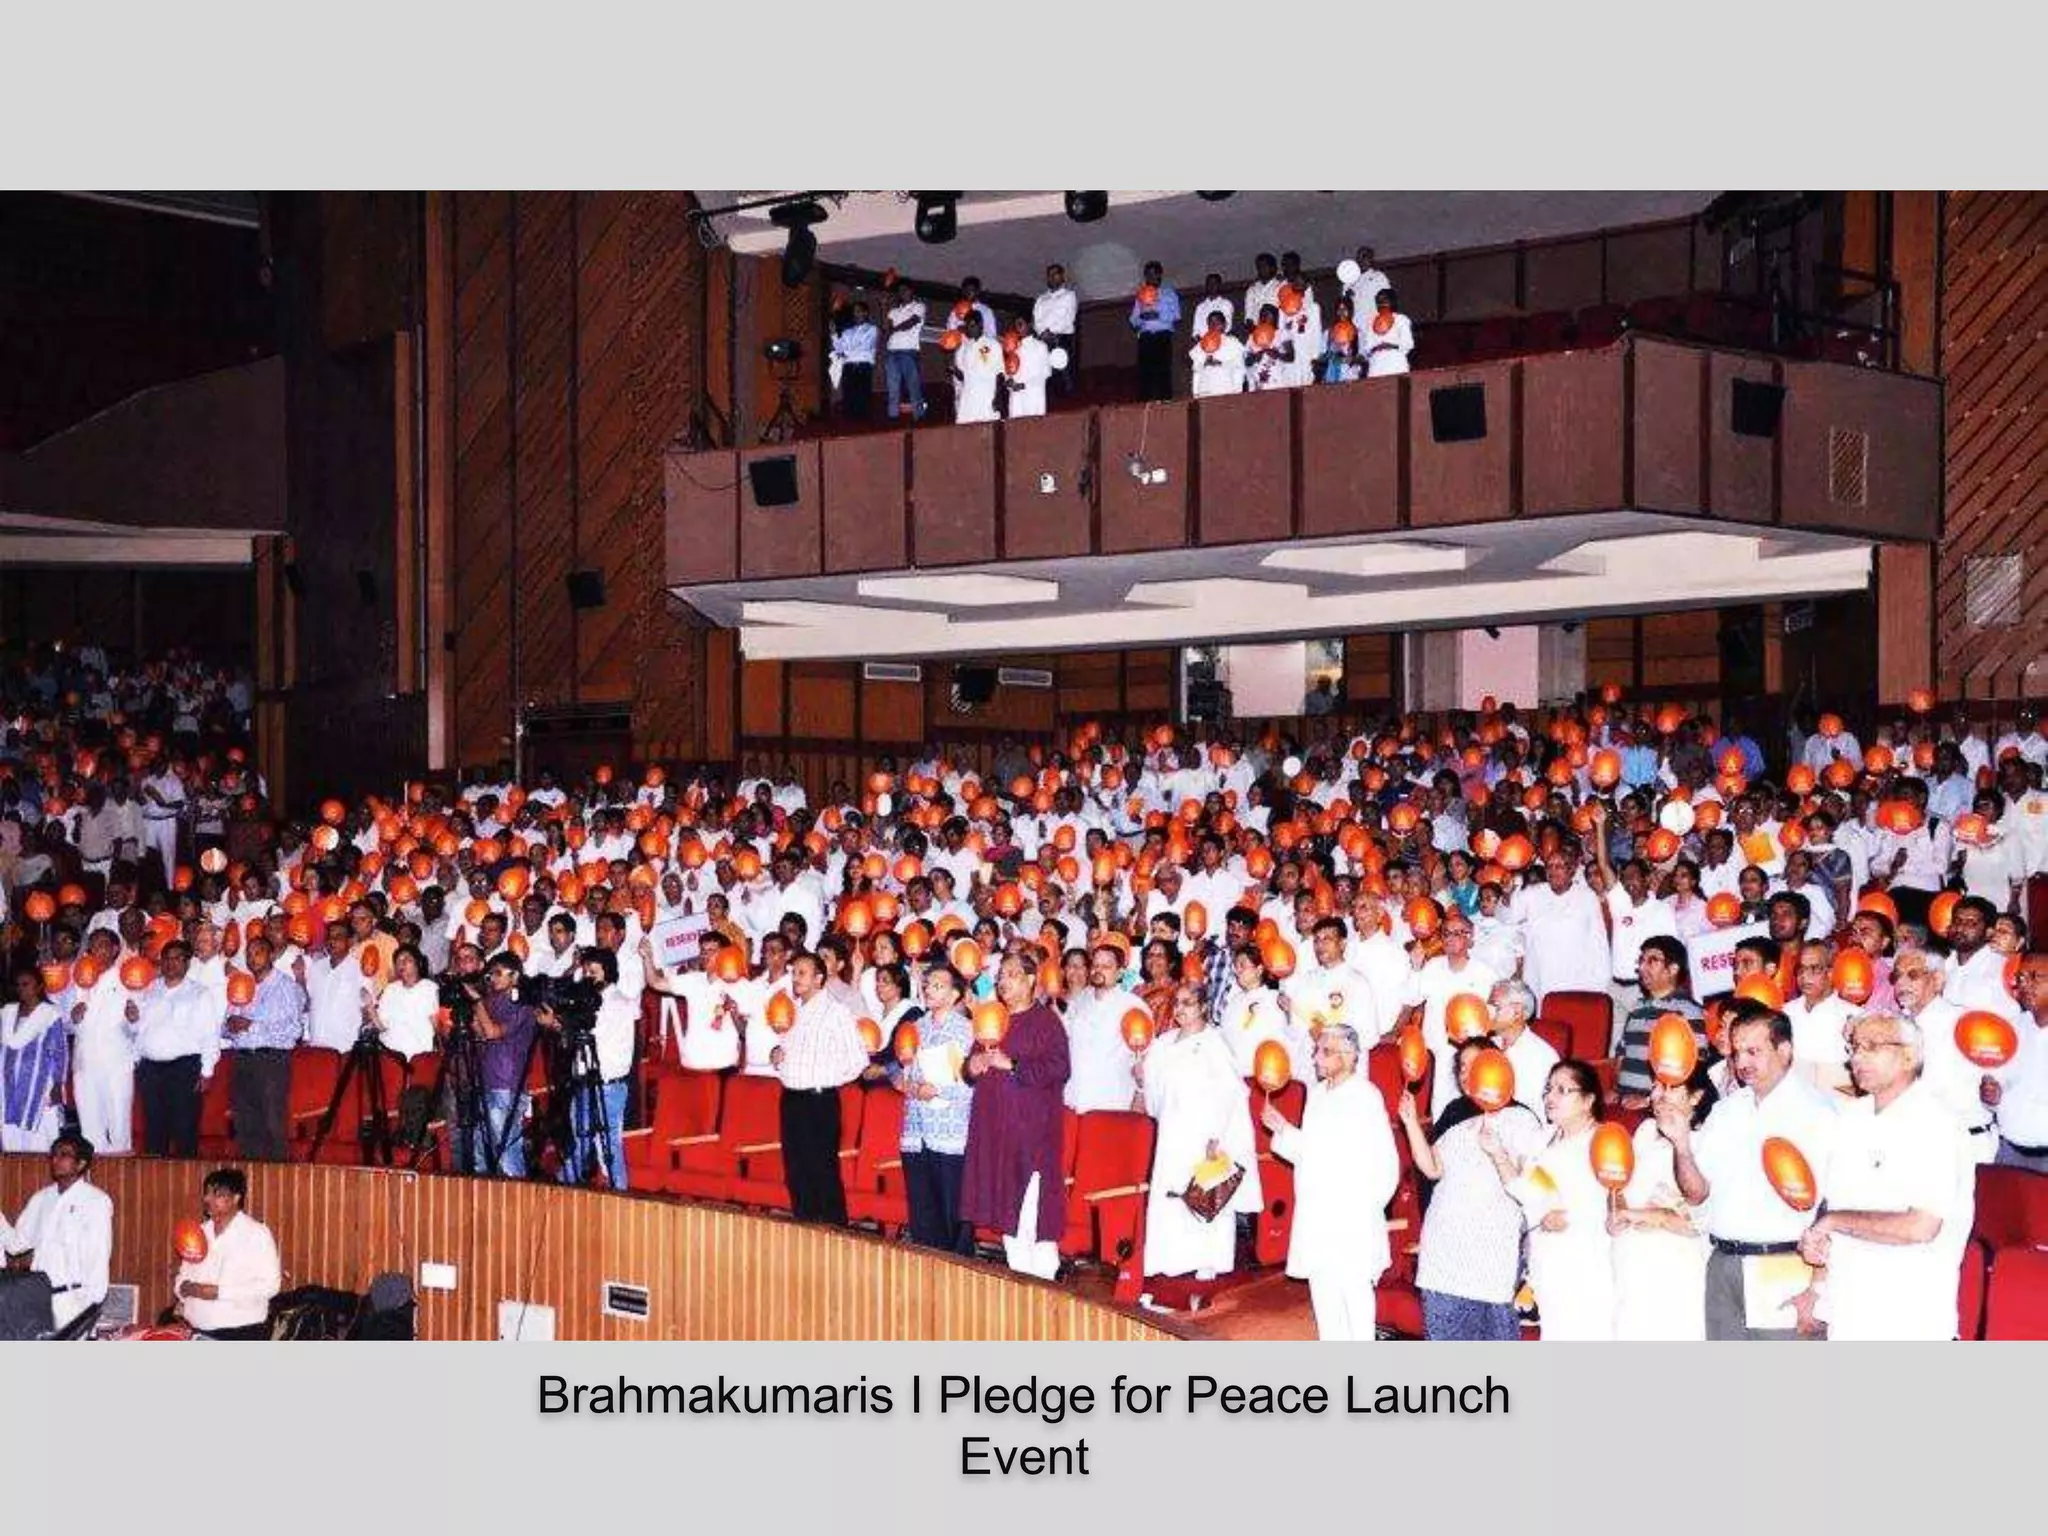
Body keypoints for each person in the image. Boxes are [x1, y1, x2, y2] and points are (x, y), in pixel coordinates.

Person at [1658, 1007, 1839, 1339]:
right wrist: (1681, 1143)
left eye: (1754, 1051)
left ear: (1784, 1051)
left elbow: (1833, 1205)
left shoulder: (1817, 1113)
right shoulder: (1726, 1111)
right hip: (1723, 1263)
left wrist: (1819, 1287)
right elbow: (1696, 1192)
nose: (1742, 1063)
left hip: (1784, 1262)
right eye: (1737, 1051)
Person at [1799, 1014, 1974, 1340]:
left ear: (1909, 1056)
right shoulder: (1850, 1118)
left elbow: (1920, 1226)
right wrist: (1817, 1281)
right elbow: (1831, 1206)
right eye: (1854, 1047)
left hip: (1908, 1315)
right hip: (1850, 1307)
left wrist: (1834, 1222)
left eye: (1872, 1047)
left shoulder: (1936, 1123)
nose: (1857, 1057)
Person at [1400, 1036, 1545, 1340]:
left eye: (1474, 1065)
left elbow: (1529, 1183)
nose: (1466, 1073)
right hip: (1443, 1258)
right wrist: (1411, 1122)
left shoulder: (1523, 1120)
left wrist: (1497, 1152)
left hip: (1490, 1259)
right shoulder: (1457, 1126)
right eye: (1461, 1067)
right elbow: (1431, 1167)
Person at [1262, 1023, 1400, 1340]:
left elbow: (1384, 1162)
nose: (1316, 1058)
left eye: (1325, 1052)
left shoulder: (1365, 1096)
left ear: (1349, 1056)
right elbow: (1312, 1151)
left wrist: (1365, 1208)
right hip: (1317, 1210)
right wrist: (1282, 1129)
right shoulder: (1317, 1094)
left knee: (1354, 1294)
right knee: (1324, 1295)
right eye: (1317, 1050)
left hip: (1352, 1214)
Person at [1139, 984, 1262, 1281]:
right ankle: (1169, 1258)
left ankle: (1210, 1259)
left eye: (1188, 1003)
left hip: (1204, 1132)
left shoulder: (1214, 1044)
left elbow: (1230, 1094)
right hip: (1172, 1130)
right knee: (1172, 1191)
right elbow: (1153, 1089)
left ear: (1203, 1007)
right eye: (1177, 1003)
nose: (1180, 1009)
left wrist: (1217, 1136)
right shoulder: (1164, 1042)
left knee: (1204, 1191)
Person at [961, 950, 1070, 1281]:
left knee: (1031, 1213)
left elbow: (1060, 1068)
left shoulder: (1046, 1021)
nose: (1002, 982)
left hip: (1031, 1135)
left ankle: (1046, 1284)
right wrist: (973, 1066)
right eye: (1000, 976)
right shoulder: (991, 1018)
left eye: (1011, 975)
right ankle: (1020, 1284)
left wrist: (1013, 1065)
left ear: (1031, 981)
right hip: (994, 1131)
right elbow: (968, 1069)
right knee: (1006, 1212)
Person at [1492, 1060, 1615, 1340]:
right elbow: (1525, 1190)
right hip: (1547, 1262)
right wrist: (1497, 1153)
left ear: (1588, 1100)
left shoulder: (1604, 1141)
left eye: (1562, 1090)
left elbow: (1611, 1203)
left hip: (1586, 1265)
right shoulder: (1543, 1138)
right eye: (1548, 1089)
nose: (1550, 1097)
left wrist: (1572, 1217)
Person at [1610, 1066, 1716, 1340]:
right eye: (1655, 1086)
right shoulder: (1646, 1130)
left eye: (1669, 1088)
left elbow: (1694, 1222)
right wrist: (1615, 1209)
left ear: (1696, 1096)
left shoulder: (1707, 1139)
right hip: (1631, 1259)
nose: (1657, 1094)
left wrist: (1639, 1214)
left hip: (1676, 1269)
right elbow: (1619, 1184)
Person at [771, 950, 868, 1225]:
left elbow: (858, 1059)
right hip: (791, 1100)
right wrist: (776, 1055)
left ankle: (835, 1234)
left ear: (819, 979)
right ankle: (806, 1232)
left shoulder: (836, 1012)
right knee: (795, 1171)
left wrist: (825, 1077)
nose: (795, 978)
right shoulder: (792, 1012)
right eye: (794, 973)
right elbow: (785, 1052)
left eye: (802, 973)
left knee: (822, 1170)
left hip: (819, 1101)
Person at [892, 963, 975, 1255]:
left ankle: (962, 1276)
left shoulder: (967, 1031)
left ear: (955, 995)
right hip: (917, 1130)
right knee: (923, 1211)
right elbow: (902, 1072)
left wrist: (938, 1089)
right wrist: (904, 1082)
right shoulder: (915, 1028)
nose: (929, 989)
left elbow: (973, 1084)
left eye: (938, 985)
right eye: (927, 984)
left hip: (951, 1132)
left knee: (954, 1212)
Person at [4, 1133, 113, 1331]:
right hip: (36, 1301)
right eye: (54, 1154)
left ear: (81, 1164)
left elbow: (98, 1257)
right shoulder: (41, 1199)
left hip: (74, 1303)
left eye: (64, 1155)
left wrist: (89, 1307)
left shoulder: (95, 1201)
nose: (56, 1160)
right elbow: (16, 1245)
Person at [129, 940, 224, 1157]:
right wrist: (132, 1020)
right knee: (153, 1130)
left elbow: (210, 1034)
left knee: (185, 1130)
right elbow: (138, 1029)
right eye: (167, 958)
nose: (171, 963)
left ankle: (186, 1184)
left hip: (184, 1069)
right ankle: (153, 1185)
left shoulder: (199, 993)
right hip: (150, 1069)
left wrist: (207, 1071)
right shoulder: (149, 990)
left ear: (187, 963)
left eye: (177, 958)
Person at [173, 1167, 282, 1341]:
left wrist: (219, 1293)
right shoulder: (199, 1232)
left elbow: (270, 1285)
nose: (208, 1199)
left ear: (236, 1198)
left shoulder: (256, 1234)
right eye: (207, 1193)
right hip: (196, 1330)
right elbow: (182, 1276)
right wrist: (183, 1288)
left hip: (240, 1332)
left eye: (217, 1194)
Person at [223, 935, 306, 1161]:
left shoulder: (285, 986)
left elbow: (293, 1030)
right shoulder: (241, 984)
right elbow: (225, 1026)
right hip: (242, 1059)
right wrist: (230, 1025)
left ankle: (278, 1183)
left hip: (271, 1061)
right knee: (245, 1124)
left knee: (273, 1124)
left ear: (270, 955)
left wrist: (251, 1026)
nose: (252, 958)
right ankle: (251, 1179)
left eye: (258, 952)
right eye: (248, 954)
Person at [466, 952, 539, 1177]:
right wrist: (473, 1008)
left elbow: (492, 1032)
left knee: (506, 1149)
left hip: (508, 1084)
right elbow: (480, 1032)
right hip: (487, 1080)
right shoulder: (493, 1000)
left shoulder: (524, 1006)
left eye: (499, 973)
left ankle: (519, 1201)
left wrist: (477, 1002)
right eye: (491, 974)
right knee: (481, 1148)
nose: (493, 979)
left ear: (515, 976)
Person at [1613, 936, 1707, 1106]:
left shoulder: (1689, 1012)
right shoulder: (1636, 1009)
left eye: (1652, 960)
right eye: (1641, 960)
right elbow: (1622, 1055)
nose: (1642, 967)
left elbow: (1694, 1068)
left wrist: (1650, 1100)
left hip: (1657, 1106)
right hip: (1623, 1102)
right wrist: (1616, 1092)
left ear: (1672, 969)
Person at [1063, 942, 1144, 1113]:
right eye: (1096, 965)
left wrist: (1140, 1093)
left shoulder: (1133, 1007)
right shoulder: (1079, 1001)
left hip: (1112, 1102)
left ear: (1120, 972)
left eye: (1106, 966)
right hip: (1075, 1097)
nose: (1098, 970)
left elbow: (1144, 1056)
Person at [2, 968, 68, 1152]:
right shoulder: (7, 1012)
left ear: (39, 986)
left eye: (26, 984)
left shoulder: (49, 1014)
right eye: (18, 985)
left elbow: (59, 1051)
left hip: (39, 1085)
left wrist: (57, 1084)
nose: (21, 989)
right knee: (10, 1132)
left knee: (39, 1136)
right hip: (8, 1084)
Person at [1129, 261, 1181, 401]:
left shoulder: (1169, 293)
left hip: (1162, 337)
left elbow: (1176, 315)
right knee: (1144, 373)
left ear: (1160, 275)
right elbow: (1133, 319)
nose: (1151, 277)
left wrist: (1158, 315)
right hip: (1145, 337)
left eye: (1154, 274)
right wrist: (1141, 317)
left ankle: (1166, 403)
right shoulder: (1141, 294)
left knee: (1163, 371)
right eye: (1148, 274)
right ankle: (1144, 404)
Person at [881, 280, 926, 421]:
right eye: (900, 290)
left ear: (912, 291)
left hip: (909, 351)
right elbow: (884, 327)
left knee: (913, 386)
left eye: (905, 289)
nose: (902, 292)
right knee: (892, 388)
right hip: (892, 351)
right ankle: (893, 417)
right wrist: (883, 307)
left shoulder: (919, 306)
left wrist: (893, 329)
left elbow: (911, 323)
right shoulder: (894, 310)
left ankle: (919, 417)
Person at [1032, 263, 1078, 395]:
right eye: (1049, 275)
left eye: (1055, 274)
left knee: (1064, 376)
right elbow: (1037, 320)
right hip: (1042, 340)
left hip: (1061, 339)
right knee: (1047, 375)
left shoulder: (1069, 296)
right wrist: (1042, 333)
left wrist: (1050, 332)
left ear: (1062, 277)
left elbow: (1067, 318)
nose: (1052, 277)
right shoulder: (1041, 299)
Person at [950, 314, 1004, 426]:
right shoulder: (963, 348)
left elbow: (1000, 373)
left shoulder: (993, 344)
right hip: (968, 398)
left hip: (987, 396)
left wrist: (998, 397)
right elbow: (962, 376)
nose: (970, 329)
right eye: (968, 326)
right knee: (965, 431)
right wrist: (954, 370)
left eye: (972, 325)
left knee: (987, 433)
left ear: (981, 325)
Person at [830, 301, 878, 421]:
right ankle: (849, 428)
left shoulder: (872, 329)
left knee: (862, 399)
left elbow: (864, 347)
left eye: (858, 311)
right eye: (854, 311)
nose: (855, 313)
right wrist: (834, 334)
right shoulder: (847, 331)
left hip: (863, 366)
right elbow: (839, 349)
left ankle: (864, 428)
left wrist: (846, 352)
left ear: (865, 313)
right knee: (849, 399)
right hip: (848, 367)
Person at [1188, 311, 1247, 398]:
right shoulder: (1201, 344)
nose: (1213, 326)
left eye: (1217, 323)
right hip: (1204, 391)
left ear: (1224, 325)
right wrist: (1196, 393)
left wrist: (1237, 392)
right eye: (1210, 324)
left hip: (1226, 390)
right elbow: (1196, 371)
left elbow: (1239, 369)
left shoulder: (1233, 343)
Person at [1362, 288, 1415, 377]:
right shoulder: (1371, 322)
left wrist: (1390, 345)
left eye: (1385, 300)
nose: (1382, 303)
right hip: (1376, 365)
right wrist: (1376, 347)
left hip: (1396, 364)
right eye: (1378, 301)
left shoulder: (1401, 319)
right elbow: (1366, 347)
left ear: (1392, 301)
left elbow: (1408, 344)